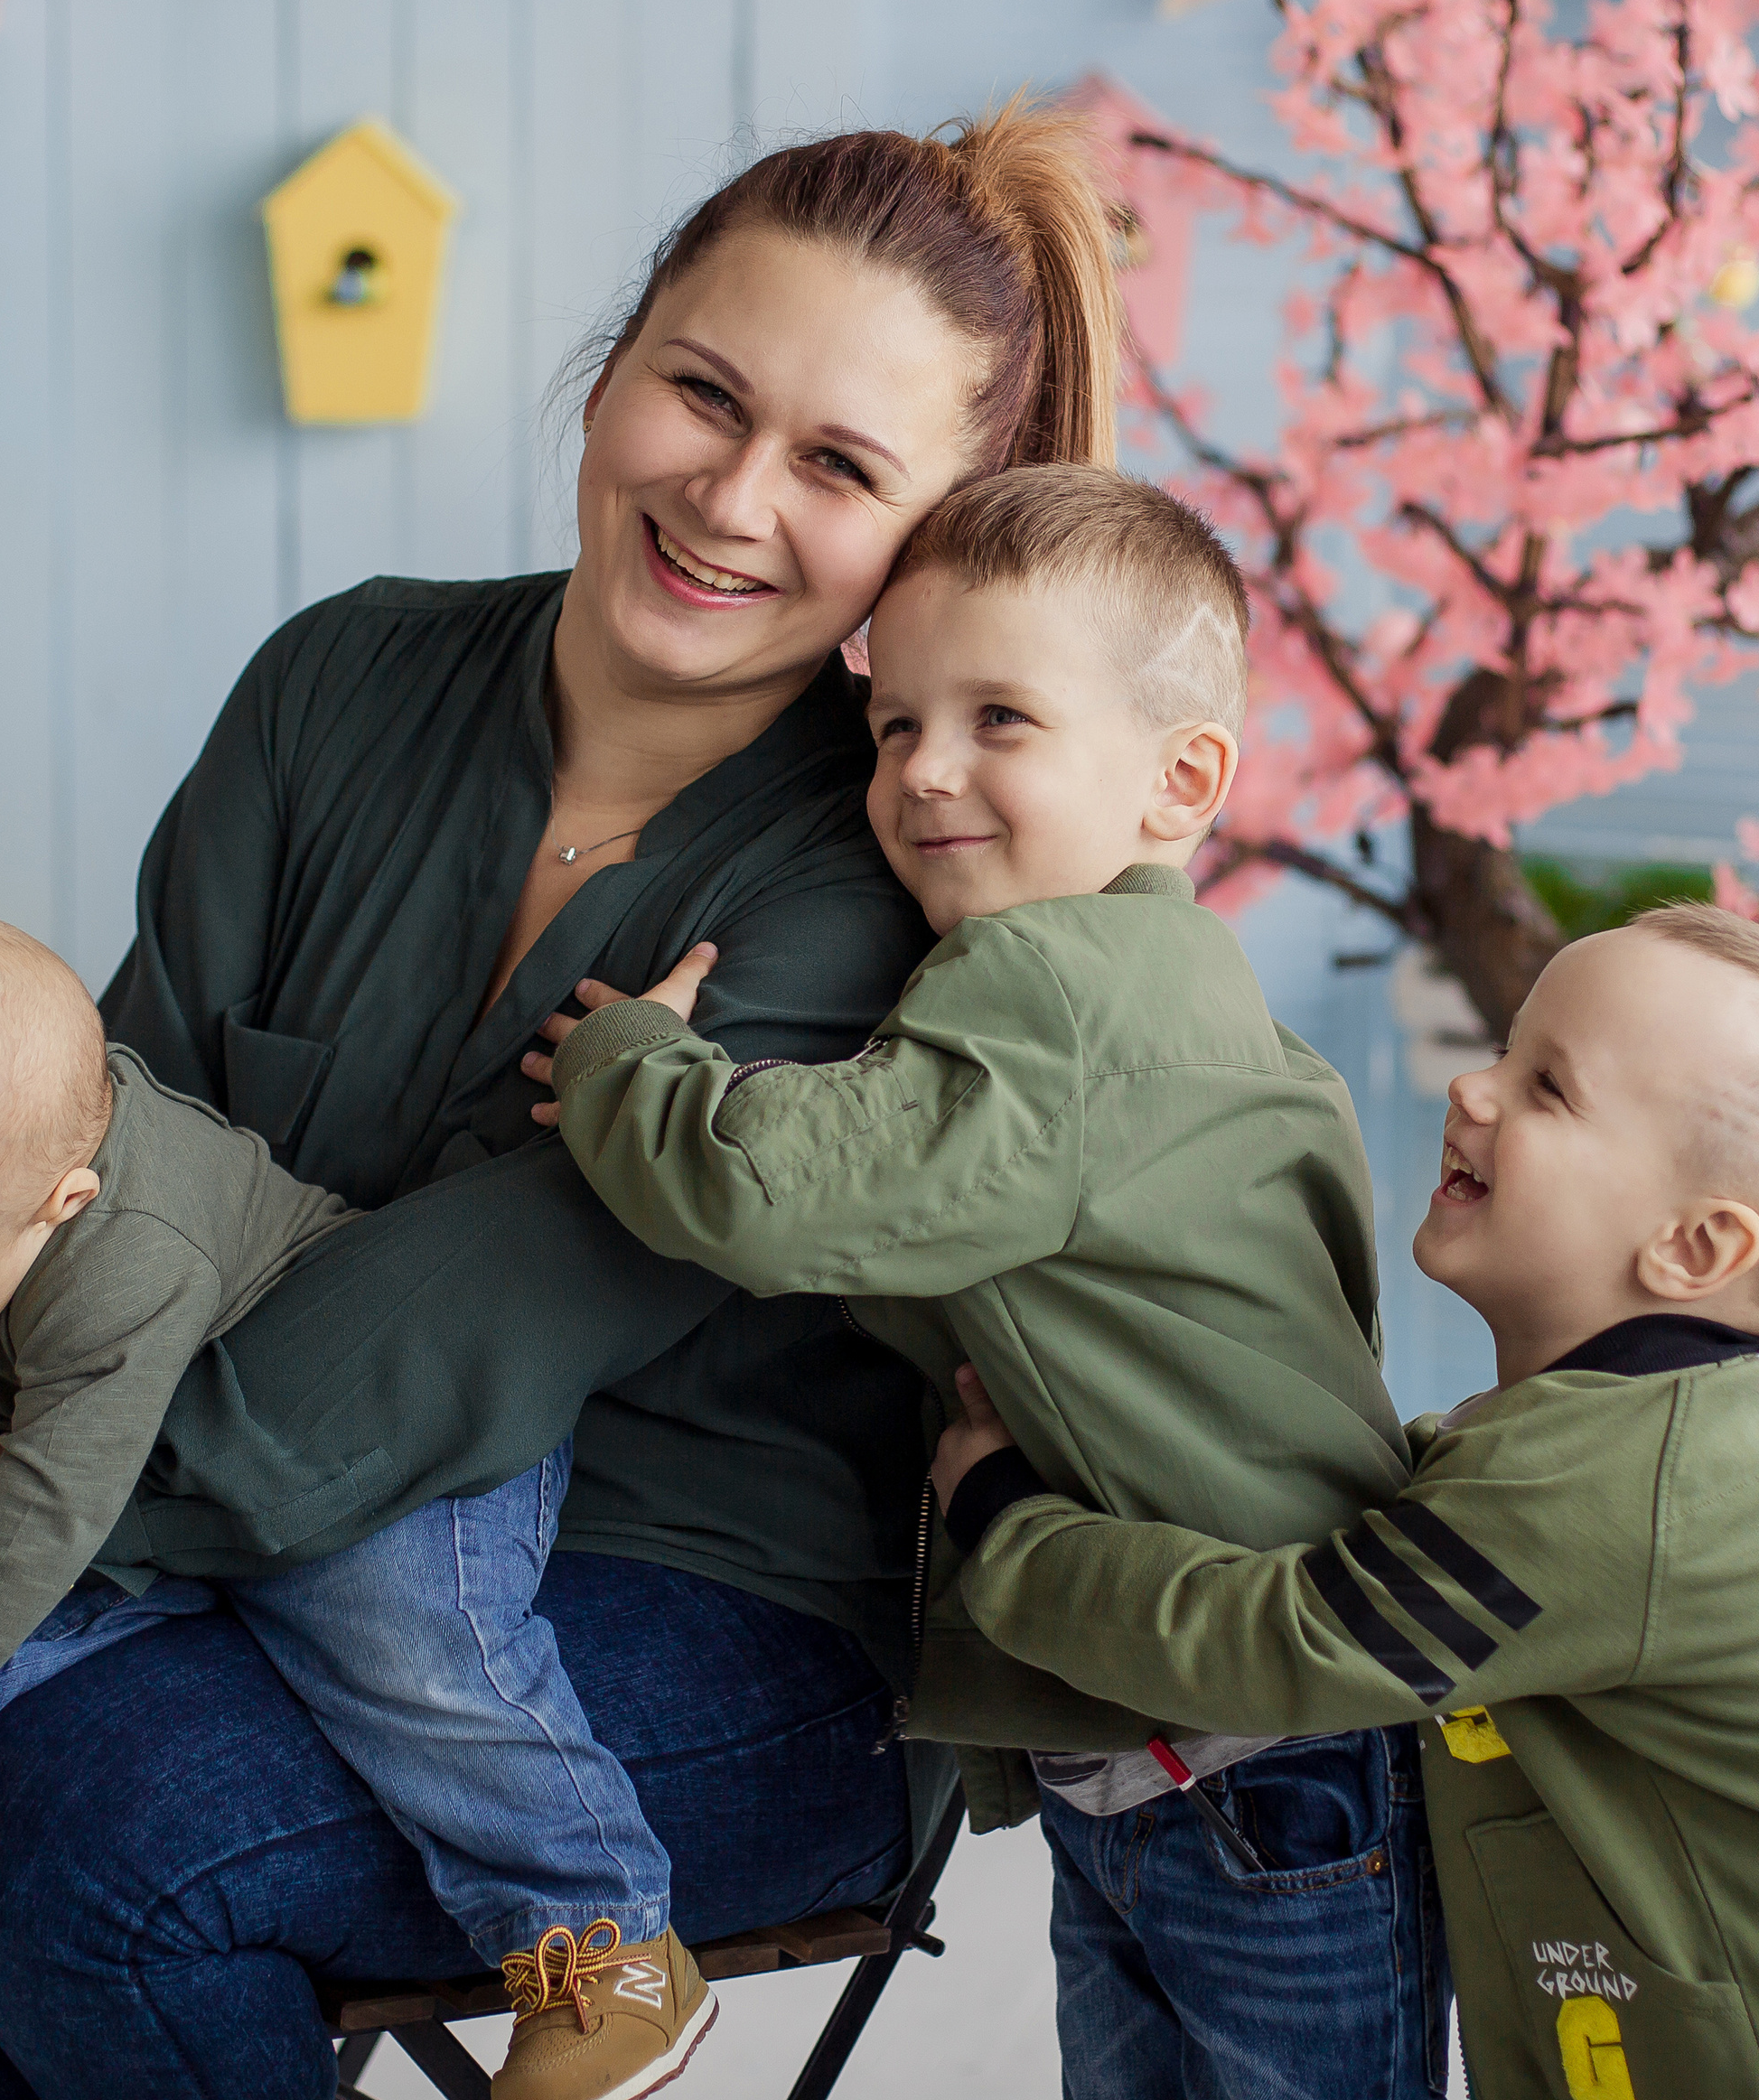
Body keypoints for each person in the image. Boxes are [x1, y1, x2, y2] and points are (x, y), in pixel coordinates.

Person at [0, 107, 1132, 2100]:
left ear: (935, 521)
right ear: (613, 360)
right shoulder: (336, 686)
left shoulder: (867, 872)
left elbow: (427, 1346)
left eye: (835, 465)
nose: (728, 497)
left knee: (88, 1844)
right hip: (230, 1549)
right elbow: (67, 1179)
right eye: (699, 393)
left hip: (708, 1624)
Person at [536, 462, 1446, 2099]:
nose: (926, 771)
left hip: (1240, 1757)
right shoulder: (1217, 1015)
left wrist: (629, 1063)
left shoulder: (1049, 984)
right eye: (896, 724)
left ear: (1180, 782)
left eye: (1001, 721)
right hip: (1235, 1749)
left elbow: (767, 1194)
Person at [0, 902, 707, 2100]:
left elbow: (49, 1506)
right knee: (49, 1609)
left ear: (60, 1200)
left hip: (377, 1459)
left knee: (400, 1647)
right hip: (175, 1475)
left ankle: (603, 1937)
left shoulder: (128, 1256)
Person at [933, 903, 1759, 2100]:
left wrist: (1003, 1519)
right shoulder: (1613, 1436)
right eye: (1505, 1048)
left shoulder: (1618, 1492)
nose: (1474, 1089)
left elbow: (1277, 1642)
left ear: (1695, 1248)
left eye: (1549, 1088)